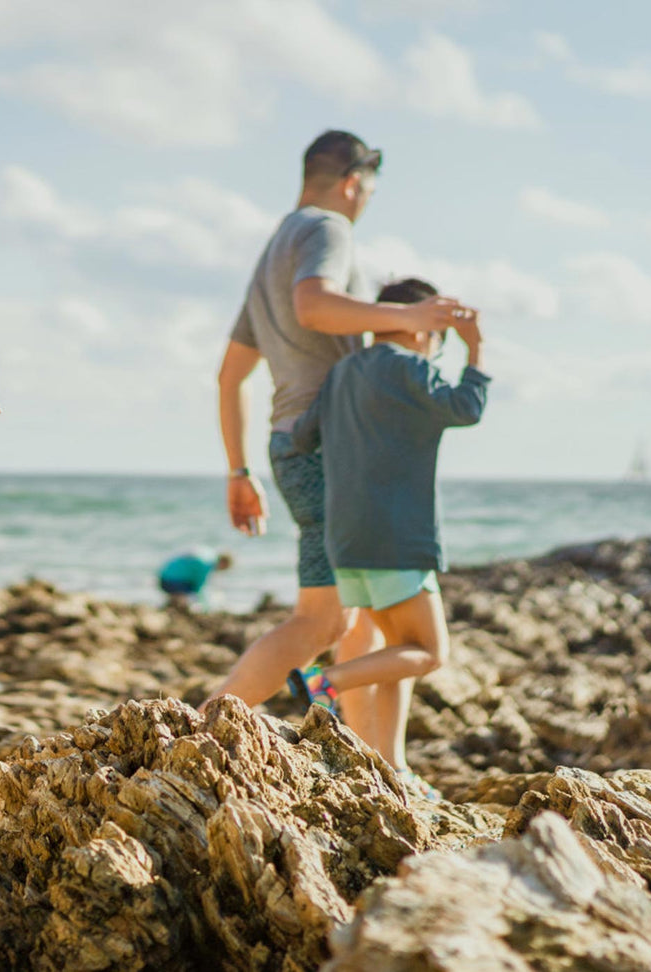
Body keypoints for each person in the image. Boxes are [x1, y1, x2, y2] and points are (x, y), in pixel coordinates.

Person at [203, 130, 466, 771]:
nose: (366, 200)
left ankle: (380, 765)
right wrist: (410, 320)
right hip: (325, 450)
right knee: (321, 621)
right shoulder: (327, 228)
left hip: (290, 445)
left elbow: (230, 375)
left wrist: (239, 469)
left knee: (362, 617)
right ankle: (198, 731)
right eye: (369, 188)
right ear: (353, 181)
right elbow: (314, 306)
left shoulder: (274, 249)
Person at [284, 277, 489, 799]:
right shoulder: (411, 368)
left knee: (397, 651)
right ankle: (321, 683)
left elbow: (302, 436)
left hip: (345, 538)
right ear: (418, 325)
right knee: (428, 652)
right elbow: (466, 407)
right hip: (397, 536)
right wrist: (477, 349)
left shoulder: (342, 372)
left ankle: (391, 766)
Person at [158, 548, 234, 608]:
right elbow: (198, 588)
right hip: (171, 581)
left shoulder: (207, 555)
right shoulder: (207, 565)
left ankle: (171, 606)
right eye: (224, 568)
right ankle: (178, 609)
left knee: (188, 592)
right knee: (189, 596)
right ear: (223, 563)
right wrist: (206, 606)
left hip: (164, 577)